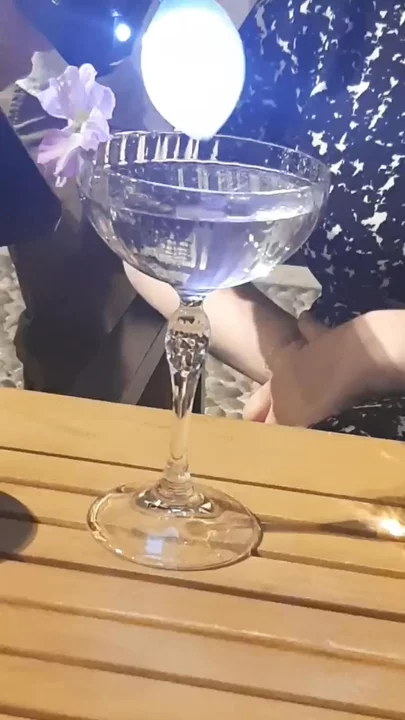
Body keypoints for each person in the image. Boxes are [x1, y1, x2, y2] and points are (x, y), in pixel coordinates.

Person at [126, 0, 405, 440]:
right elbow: (161, 233)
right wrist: (292, 357)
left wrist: (375, 347)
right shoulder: (321, 15)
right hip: (339, 405)